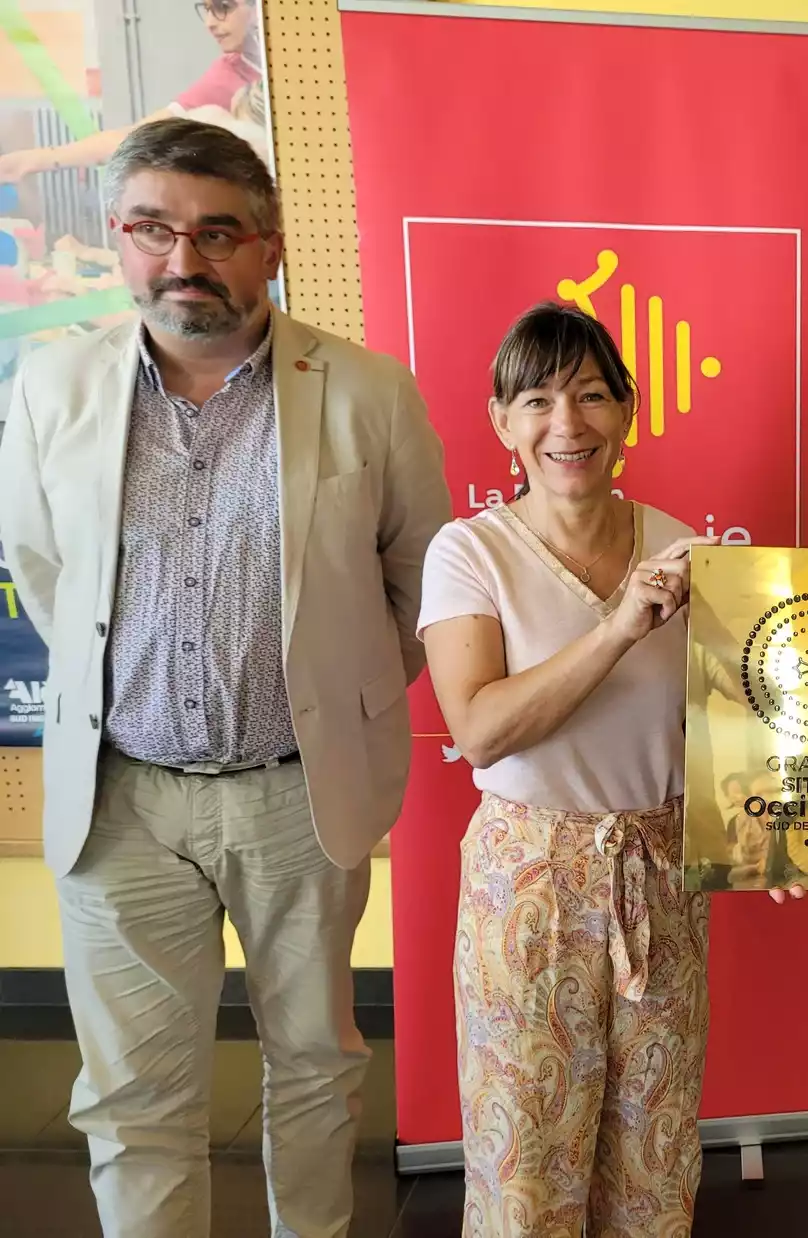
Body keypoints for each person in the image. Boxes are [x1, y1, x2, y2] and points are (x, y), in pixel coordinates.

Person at [0, 117, 449, 1237]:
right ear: (118, 238)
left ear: (271, 245)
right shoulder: (55, 386)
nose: (183, 260)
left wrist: (334, 704)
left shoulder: (367, 392)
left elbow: (422, 587)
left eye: (216, 232)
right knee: (133, 1094)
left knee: (312, 1065)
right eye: (152, 229)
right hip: (122, 798)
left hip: (301, 793)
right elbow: (45, 573)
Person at [418, 301, 808, 1238]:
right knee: (528, 1164)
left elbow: (737, 724)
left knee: (654, 1157)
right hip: (530, 885)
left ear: (629, 411)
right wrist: (617, 630)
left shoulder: (683, 547)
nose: (569, 424)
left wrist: (804, 827)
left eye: (594, 395)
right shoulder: (468, 552)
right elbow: (479, 729)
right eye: (540, 400)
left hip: (658, 876)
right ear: (501, 422)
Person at [0, 0, 270, 182]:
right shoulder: (228, 72)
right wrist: (30, 161)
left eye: (223, 7)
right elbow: (139, 134)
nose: (210, 22)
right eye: (207, 8)